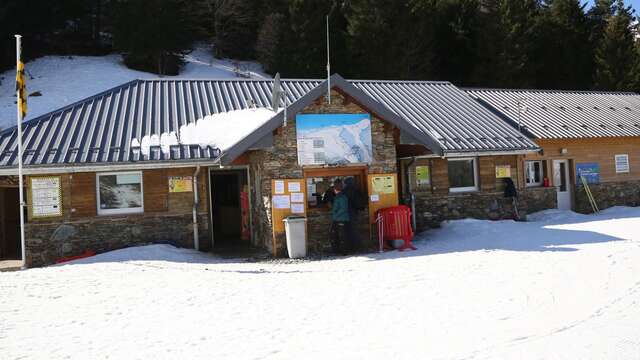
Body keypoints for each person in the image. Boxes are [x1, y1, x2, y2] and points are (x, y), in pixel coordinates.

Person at [329, 179, 350, 254]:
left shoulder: (341, 197)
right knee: (338, 235)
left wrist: (335, 215)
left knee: (342, 236)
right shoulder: (339, 196)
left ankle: (344, 251)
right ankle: (340, 250)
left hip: (341, 219)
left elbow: (343, 208)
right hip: (339, 219)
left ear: (335, 189)